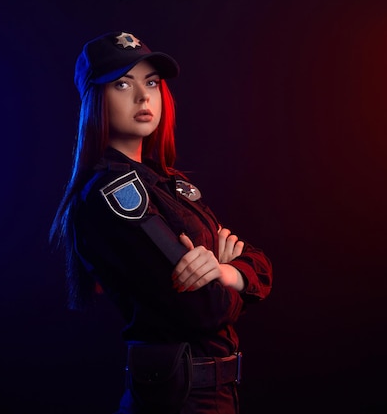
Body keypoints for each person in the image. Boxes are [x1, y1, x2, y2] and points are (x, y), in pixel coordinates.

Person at [50, 30, 273, 414]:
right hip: (177, 400)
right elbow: (204, 309)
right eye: (122, 84)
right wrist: (227, 275)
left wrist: (227, 272)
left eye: (151, 82)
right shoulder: (111, 194)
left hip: (215, 396)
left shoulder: (169, 181)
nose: (143, 97)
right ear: (96, 98)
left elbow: (259, 263)